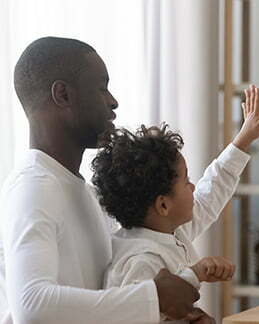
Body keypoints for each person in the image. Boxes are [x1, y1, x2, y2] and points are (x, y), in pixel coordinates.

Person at [0, 37, 203, 323]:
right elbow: (31, 306)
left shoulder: (85, 192)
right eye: (102, 88)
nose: (113, 101)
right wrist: (155, 296)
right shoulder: (32, 186)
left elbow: (102, 303)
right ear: (63, 95)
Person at [95, 86, 259, 323]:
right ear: (163, 205)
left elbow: (212, 191)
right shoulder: (141, 259)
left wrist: (244, 139)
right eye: (186, 180)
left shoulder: (167, 231)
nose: (193, 187)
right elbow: (133, 314)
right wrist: (194, 275)